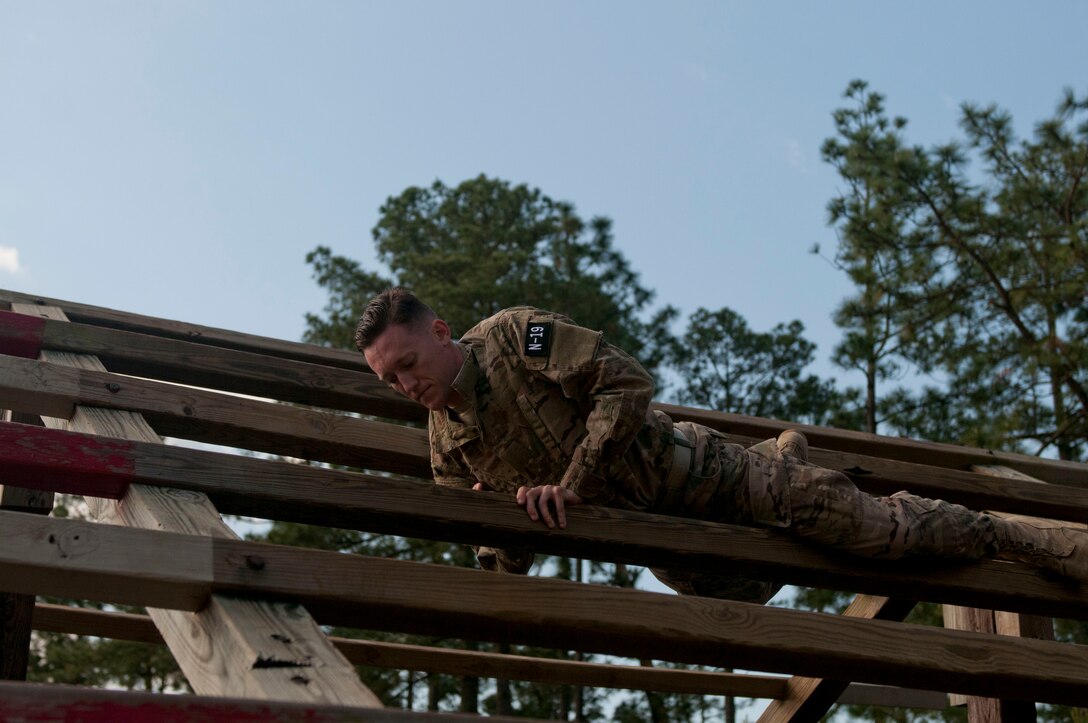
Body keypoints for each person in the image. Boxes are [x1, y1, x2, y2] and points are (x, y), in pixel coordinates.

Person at [356, 287, 1088, 603]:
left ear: (441, 333)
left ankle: (1025, 535)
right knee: (753, 594)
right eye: (390, 380)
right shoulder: (447, 448)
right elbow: (500, 563)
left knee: (881, 534)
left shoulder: (517, 337)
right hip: (665, 544)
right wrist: (511, 524)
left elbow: (629, 383)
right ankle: (789, 459)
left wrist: (573, 478)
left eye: (408, 364)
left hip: (707, 475)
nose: (405, 385)